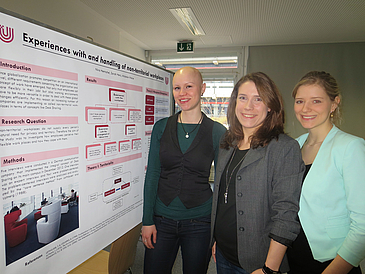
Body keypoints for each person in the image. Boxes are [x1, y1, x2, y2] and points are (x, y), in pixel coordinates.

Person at [211, 72, 304, 274]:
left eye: (258, 99)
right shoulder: (228, 143)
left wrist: (269, 269)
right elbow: (222, 198)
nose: (248, 107)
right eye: (243, 98)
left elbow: (286, 212)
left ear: (270, 105)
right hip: (223, 254)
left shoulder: (283, 148)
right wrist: (217, 238)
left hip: (258, 263)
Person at [142, 66, 227, 274]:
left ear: (203, 89)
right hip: (162, 220)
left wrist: (218, 232)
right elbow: (153, 174)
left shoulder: (217, 132)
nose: (183, 93)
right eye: (177, 88)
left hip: (200, 222)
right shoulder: (161, 127)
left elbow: (224, 182)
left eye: (189, 86)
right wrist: (147, 220)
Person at [287, 71, 365, 274]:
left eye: (316, 101)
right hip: (294, 256)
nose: (306, 108)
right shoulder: (295, 146)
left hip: (332, 262)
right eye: (300, 101)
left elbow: (363, 225)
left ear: (334, 104)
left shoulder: (351, 147)